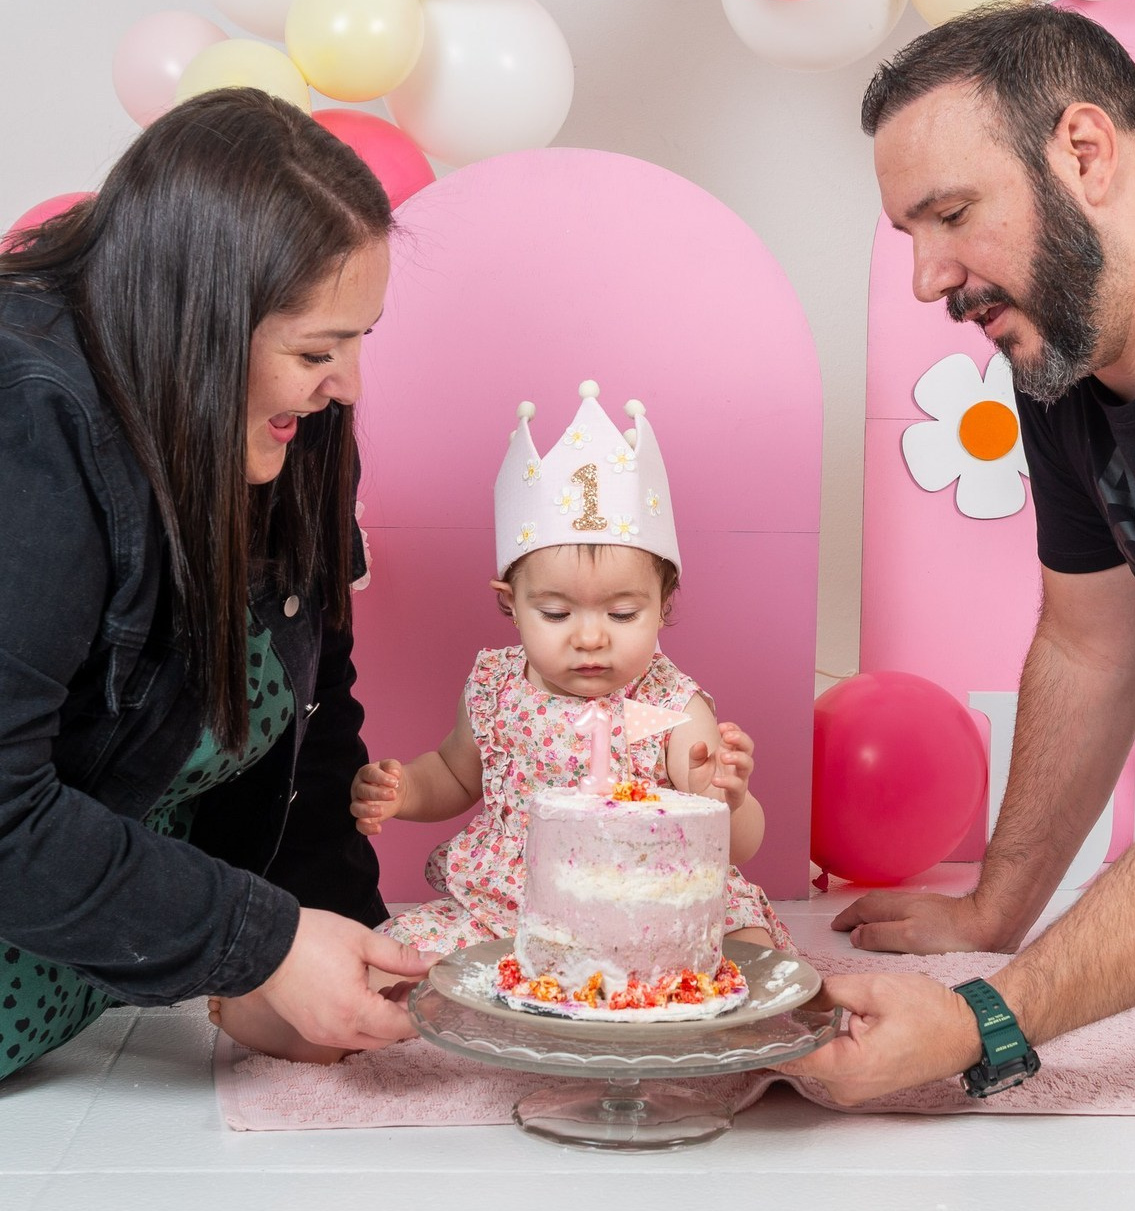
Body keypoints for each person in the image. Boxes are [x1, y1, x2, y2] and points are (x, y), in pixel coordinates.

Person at [787, 0, 1135, 1104]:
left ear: (1084, 150)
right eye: (910, 233)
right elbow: (1088, 640)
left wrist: (979, 1021)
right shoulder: (1063, 347)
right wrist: (992, 909)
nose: (926, 277)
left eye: (950, 212)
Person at [0, 87, 433, 1081]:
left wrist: (351, 950)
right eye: (315, 350)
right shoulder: (30, 419)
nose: (348, 385)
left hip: (75, 1027)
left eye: (357, 341)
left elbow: (314, 726)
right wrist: (264, 943)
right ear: (195, 324)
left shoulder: (294, 428)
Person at [211, 380, 793, 1059]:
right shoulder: (494, 687)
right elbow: (457, 773)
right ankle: (281, 1010)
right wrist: (405, 791)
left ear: (665, 605)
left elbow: (739, 844)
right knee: (403, 965)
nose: (590, 637)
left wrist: (729, 796)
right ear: (509, 605)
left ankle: (713, 1039)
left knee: (743, 957)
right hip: (510, 907)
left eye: (622, 613)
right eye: (556, 612)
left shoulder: (669, 707)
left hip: (650, 914)